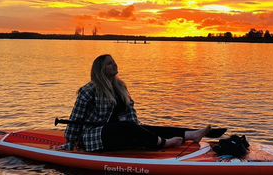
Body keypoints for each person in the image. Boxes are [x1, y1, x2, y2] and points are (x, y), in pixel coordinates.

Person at [63, 54, 211, 152]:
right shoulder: (89, 90)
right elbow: (76, 119)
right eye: (109, 64)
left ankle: (191, 135)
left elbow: (130, 113)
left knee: (144, 128)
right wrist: (71, 143)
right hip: (93, 137)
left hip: (118, 133)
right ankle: (163, 143)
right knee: (127, 127)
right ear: (101, 69)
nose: (114, 65)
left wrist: (140, 133)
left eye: (114, 62)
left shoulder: (120, 87)